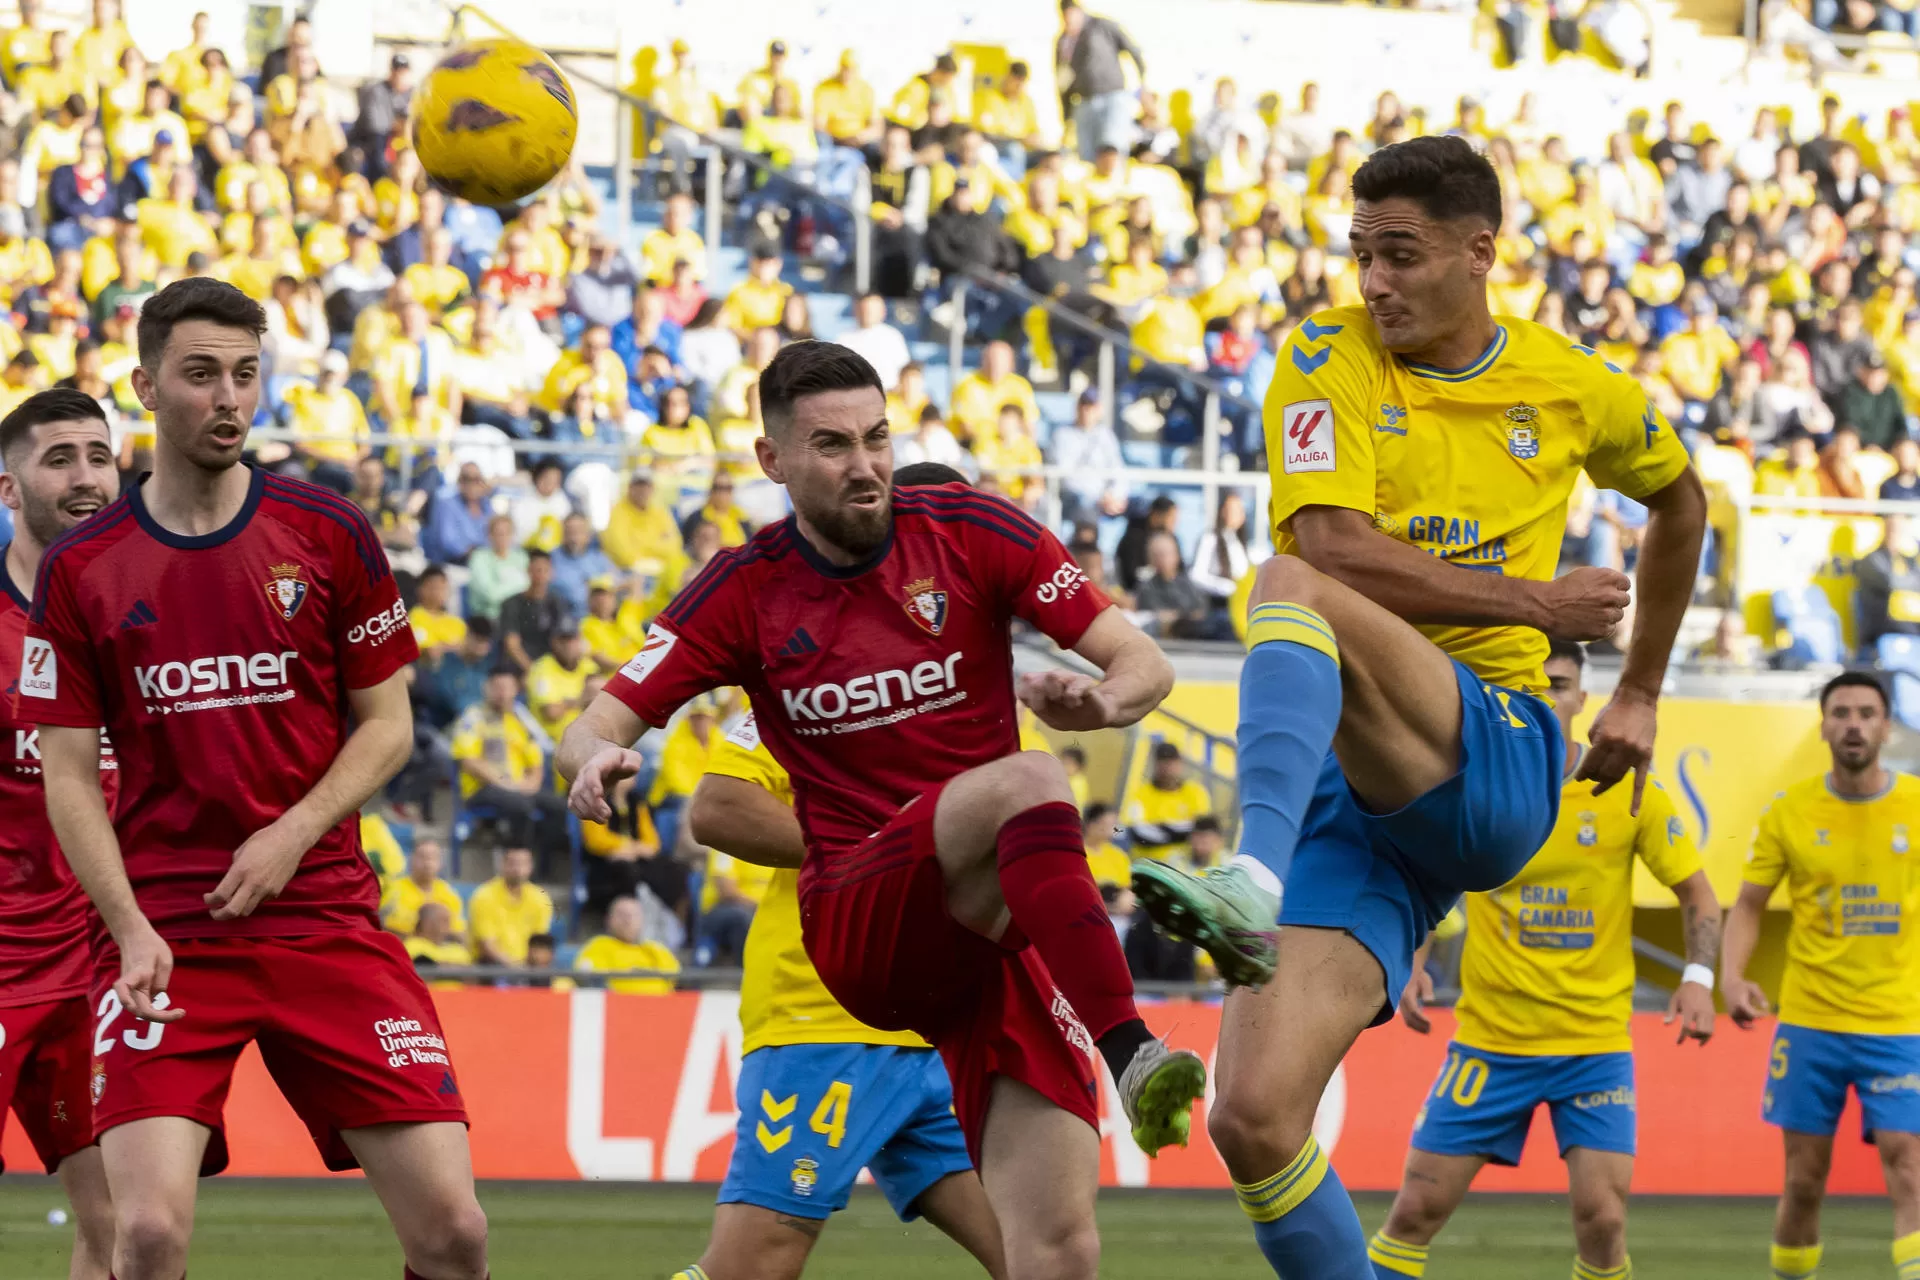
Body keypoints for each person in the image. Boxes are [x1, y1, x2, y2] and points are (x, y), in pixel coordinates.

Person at [1128, 136, 1706, 1279]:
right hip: (1370, 795)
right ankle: (1264, 875)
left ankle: (1250, 874)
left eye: (1400, 255)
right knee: (1249, 1116)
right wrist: (1539, 596)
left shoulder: (1570, 385)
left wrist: (1638, 686)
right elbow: (1336, 536)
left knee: (1288, 587)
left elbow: (1682, 501)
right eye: (1361, 254)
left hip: (1493, 745)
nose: (1373, 282)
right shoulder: (1322, 356)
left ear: (1479, 251)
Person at [560, 340, 1205, 1280]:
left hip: (992, 942)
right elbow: (600, 724)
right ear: (771, 460)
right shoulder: (746, 591)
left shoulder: (976, 528)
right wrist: (594, 759)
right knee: (1031, 782)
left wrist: (1104, 702)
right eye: (830, 445)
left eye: (876, 438)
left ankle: (1108, 1051)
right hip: (862, 925)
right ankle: (1134, 1050)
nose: (864, 465)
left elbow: (1142, 661)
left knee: (1058, 1251)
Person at [22, 279, 485, 1278]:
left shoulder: (330, 532)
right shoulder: (85, 567)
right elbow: (68, 774)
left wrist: (291, 832)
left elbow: (388, 723)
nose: (228, 397)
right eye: (200, 375)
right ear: (145, 387)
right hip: (169, 936)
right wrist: (129, 922)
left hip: (323, 913)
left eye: (244, 373)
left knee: (455, 1233)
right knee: (143, 1236)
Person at [1370, 640, 1720, 1279]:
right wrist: (1413, 963)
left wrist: (1698, 979)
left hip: (1592, 1049)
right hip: (1490, 1043)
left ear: (1583, 699)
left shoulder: (1626, 791)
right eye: (1532, 685)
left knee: (1604, 1220)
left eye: (1559, 684)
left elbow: (1697, 892)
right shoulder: (1478, 792)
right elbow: (1431, 881)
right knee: (1416, 1209)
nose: (1545, 697)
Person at [674, 707, 1005, 1280]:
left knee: (1046, 1254)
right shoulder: (803, 695)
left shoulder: (991, 707)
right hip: (826, 1019)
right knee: (750, 1268)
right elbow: (717, 806)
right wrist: (871, 855)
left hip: (938, 1028)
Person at [1721, 671, 1920, 1280]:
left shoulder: (1916, 806)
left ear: (1886, 727)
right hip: (1811, 1022)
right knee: (1804, 1180)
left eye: (1866, 713)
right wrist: (1731, 977)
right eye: (1841, 713)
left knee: (1908, 1165)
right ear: (1824, 725)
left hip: (1899, 1022)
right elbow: (1749, 904)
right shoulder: (1791, 811)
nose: (1853, 724)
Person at [0, 389, 120, 1280]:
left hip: (100, 965)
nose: (86, 479)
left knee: (126, 1222)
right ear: (9, 490)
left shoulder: (144, 619)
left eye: (99, 456)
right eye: (60, 459)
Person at [1056, 0, 1144, 161]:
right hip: (1084, 101)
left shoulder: (1102, 26)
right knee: (1087, 153)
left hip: (1113, 96)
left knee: (1112, 148)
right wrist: (1066, 116)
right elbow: (1062, 82)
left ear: (1079, 11)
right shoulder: (1064, 41)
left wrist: (1143, 84)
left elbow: (1133, 50)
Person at [1122, 741, 1214, 865]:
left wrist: (1158, 828)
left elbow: (1200, 830)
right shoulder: (1140, 794)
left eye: (1171, 762)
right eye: (1163, 762)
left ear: (1180, 764)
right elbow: (1139, 833)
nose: (1167, 768)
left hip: (1182, 869)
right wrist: (1179, 831)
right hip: (1146, 865)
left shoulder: (1196, 792)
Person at [572, 895, 680, 995]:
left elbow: (674, 978)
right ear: (609, 920)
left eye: (634, 915)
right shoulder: (599, 945)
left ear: (642, 920)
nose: (628, 920)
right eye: (621, 915)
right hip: (617, 1007)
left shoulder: (655, 949)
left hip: (660, 1006)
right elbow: (590, 975)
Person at [467, 845, 554, 968]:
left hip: (528, 966)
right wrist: (514, 968)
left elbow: (538, 943)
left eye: (523, 864)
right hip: (491, 965)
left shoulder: (540, 898)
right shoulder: (484, 896)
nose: (517, 869)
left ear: (531, 867)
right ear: (503, 864)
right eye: (513, 863)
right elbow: (486, 944)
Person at [379, 837, 466, 938]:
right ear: (411, 859)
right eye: (422, 857)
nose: (427, 863)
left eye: (433, 857)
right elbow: (383, 925)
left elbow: (459, 932)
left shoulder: (449, 893)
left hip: (441, 950)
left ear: (441, 863)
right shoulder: (393, 889)